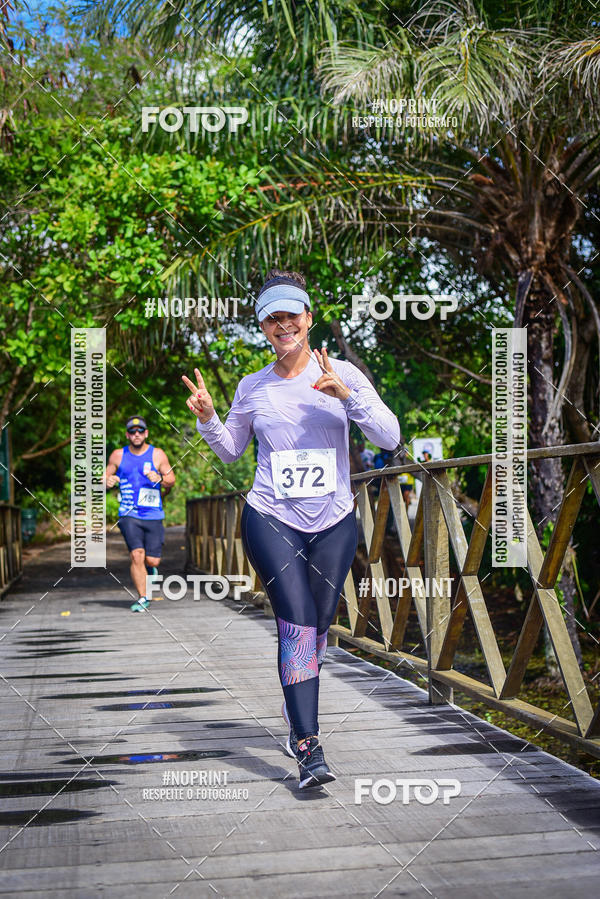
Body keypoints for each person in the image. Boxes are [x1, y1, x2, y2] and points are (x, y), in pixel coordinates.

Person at [183, 269, 400, 789]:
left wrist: (346, 395)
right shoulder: (252, 387)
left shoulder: (340, 370)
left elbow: (389, 437)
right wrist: (210, 417)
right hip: (271, 516)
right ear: (263, 326)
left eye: (291, 315)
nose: (283, 325)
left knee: (320, 622)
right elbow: (232, 449)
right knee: (297, 622)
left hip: (333, 519)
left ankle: (294, 703)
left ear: (308, 318)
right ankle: (309, 747)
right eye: (272, 318)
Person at [104, 416, 175, 612]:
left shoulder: (158, 454)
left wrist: (160, 478)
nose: (136, 434)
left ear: (146, 433)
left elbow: (171, 480)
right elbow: (105, 476)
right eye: (132, 431)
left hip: (152, 513)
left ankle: (150, 570)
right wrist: (108, 481)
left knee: (152, 560)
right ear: (127, 435)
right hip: (128, 513)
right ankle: (143, 597)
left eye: (140, 431)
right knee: (136, 555)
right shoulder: (118, 455)